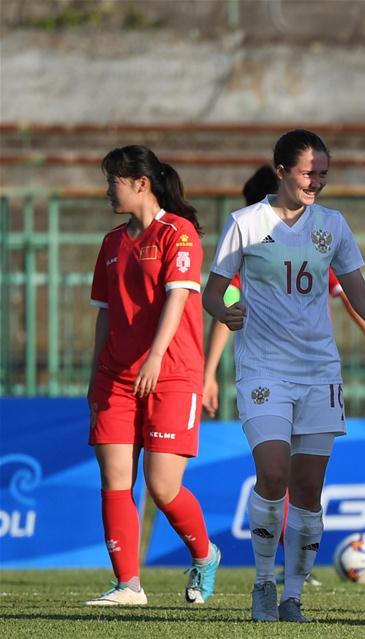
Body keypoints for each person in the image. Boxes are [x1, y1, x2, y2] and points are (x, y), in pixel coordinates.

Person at [203, 129, 365, 623]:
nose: (317, 182)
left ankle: (292, 595)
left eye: (324, 173)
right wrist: (229, 309)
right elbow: (214, 289)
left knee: (308, 490)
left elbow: (360, 294)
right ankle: (263, 582)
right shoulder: (245, 223)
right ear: (282, 170)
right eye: (310, 172)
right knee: (272, 473)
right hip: (263, 368)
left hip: (318, 372)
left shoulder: (332, 225)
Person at [86, 145, 220, 606]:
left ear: (139, 183)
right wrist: (94, 373)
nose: (108, 190)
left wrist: (155, 357)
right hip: (115, 377)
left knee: (162, 485)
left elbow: (178, 299)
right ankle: (129, 585)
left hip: (172, 374)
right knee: (115, 480)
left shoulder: (177, 233)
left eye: (113, 181)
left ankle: (205, 556)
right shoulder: (110, 243)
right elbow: (105, 316)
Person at [202, 166, 365, 419]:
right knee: (274, 452)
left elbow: (352, 294)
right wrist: (209, 373)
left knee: (307, 453)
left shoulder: (314, 247)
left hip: (314, 368)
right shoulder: (247, 253)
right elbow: (228, 312)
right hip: (267, 370)